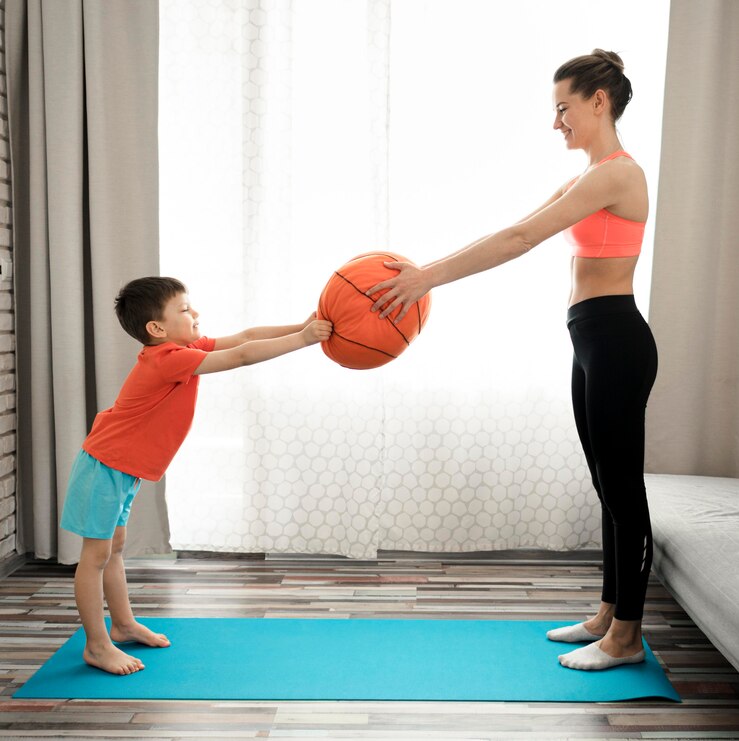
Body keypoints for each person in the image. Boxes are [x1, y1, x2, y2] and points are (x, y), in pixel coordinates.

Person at [368, 50, 658, 671]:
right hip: (592, 336)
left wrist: (428, 280)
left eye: (563, 107)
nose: (556, 121)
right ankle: (609, 613)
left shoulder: (617, 174)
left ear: (598, 102)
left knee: (623, 488)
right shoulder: (591, 173)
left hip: (615, 338)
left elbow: (521, 242)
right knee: (606, 485)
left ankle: (628, 638)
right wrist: (430, 268)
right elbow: (517, 225)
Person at [60, 277, 332, 675]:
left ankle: (121, 624)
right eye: (186, 310)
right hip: (105, 465)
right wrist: (306, 339)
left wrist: (301, 325)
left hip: (122, 467)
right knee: (95, 556)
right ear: (157, 329)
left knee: (114, 550)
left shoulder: (182, 347)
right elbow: (241, 356)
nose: (196, 314)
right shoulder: (168, 358)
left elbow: (246, 336)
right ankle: (97, 645)